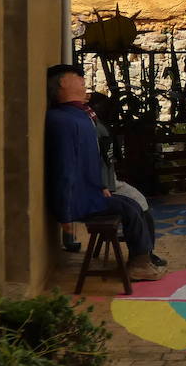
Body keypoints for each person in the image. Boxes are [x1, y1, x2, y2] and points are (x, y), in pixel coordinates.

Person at [45, 64, 163, 281]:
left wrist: (101, 186)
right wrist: (65, 213)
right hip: (79, 198)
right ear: (62, 83)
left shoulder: (80, 116)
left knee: (133, 205)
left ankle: (142, 258)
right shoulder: (64, 120)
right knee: (130, 208)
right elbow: (64, 168)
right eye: (76, 77)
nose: (82, 79)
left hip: (91, 191)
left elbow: (93, 161)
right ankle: (140, 263)